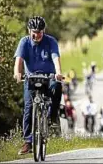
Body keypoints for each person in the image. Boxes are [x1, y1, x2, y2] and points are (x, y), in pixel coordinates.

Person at [13, 16, 63, 155]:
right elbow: (19, 60)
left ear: (44, 30)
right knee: (28, 107)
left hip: (49, 76)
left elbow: (55, 58)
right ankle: (28, 142)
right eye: (34, 31)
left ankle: (53, 117)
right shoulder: (24, 42)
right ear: (29, 31)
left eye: (40, 31)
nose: (37, 34)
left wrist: (58, 72)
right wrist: (17, 73)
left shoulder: (51, 41)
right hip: (31, 77)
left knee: (58, 86)